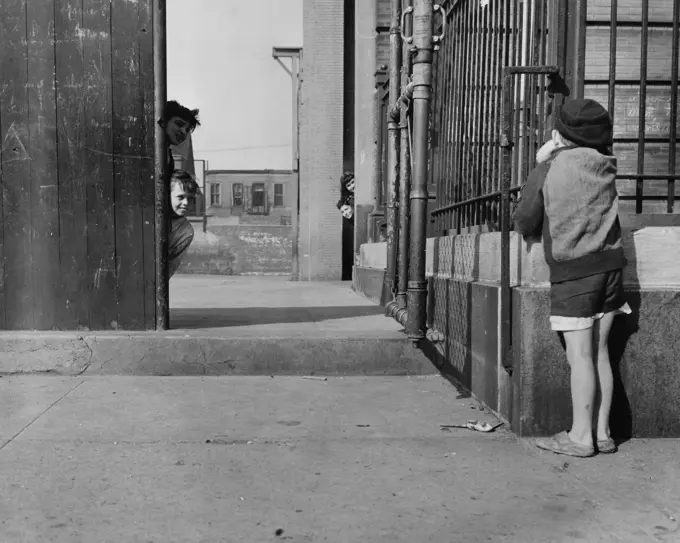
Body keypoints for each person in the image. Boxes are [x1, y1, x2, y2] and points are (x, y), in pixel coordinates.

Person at [513, 98, 631, 458]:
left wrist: (542, 162)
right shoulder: (605, 165)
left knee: (578, 357)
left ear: (558, 135)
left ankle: (580, 438)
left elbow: (524, 221)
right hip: (611, 268)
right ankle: (602, 432)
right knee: (600, 353)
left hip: (574, 273)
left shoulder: (550, 168)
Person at [168, 170, 199, 278]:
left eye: (190, 198)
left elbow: (168, 269)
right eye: (180, 197)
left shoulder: (185, 231)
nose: (186, 203)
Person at [158, 100, 201, 176]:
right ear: (164, 122)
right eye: (179, 124)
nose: (183, 132)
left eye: (187, 130)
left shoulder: (168, 156)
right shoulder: (148, 149)